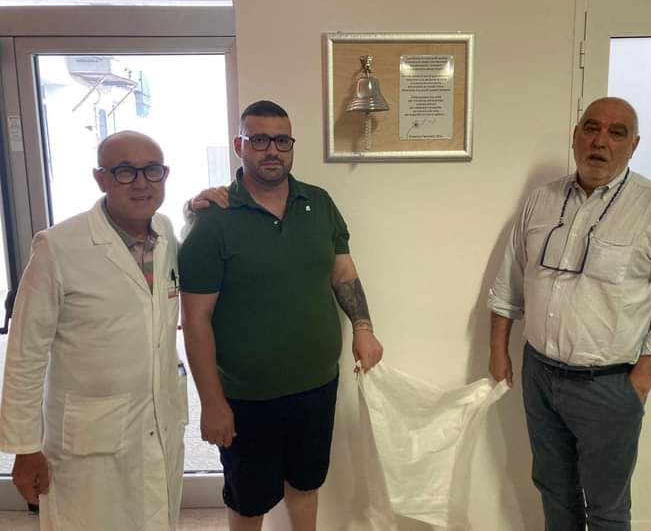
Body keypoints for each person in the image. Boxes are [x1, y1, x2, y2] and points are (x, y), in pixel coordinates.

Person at [487, 97, 651, 531]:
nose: (600, 141)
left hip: (608, 387)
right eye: (591, 128)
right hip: (539, 377)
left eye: (617, 133)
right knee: (554, 491)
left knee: (606, 507)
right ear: (575, 137)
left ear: (633, 145)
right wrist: (498, 350)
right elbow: (509, 281)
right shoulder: (541, 201)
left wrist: (635, 388)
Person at [179, 100, 383, 531]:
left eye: (282, 140)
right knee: (248, 500)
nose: (272, 150)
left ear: (291, 145)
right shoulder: (213, 221)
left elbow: (343, 272)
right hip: (245, 397)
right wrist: (212, 403)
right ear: (239, 146)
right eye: (259, 140)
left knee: (306, 483)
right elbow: (195, 321)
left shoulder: (319, 203)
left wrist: (363, 328)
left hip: (317, 385)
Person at [0, 131, 217, 530]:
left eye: (152, 171)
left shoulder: (165, 232)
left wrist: (196, 211)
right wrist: (24, 447)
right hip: (88, 438)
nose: (141, 182)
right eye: (125, 171)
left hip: (160, 418)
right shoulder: (58, 247)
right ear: (101, 178)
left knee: (157, 519)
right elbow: (25, 353)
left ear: (165, 175)